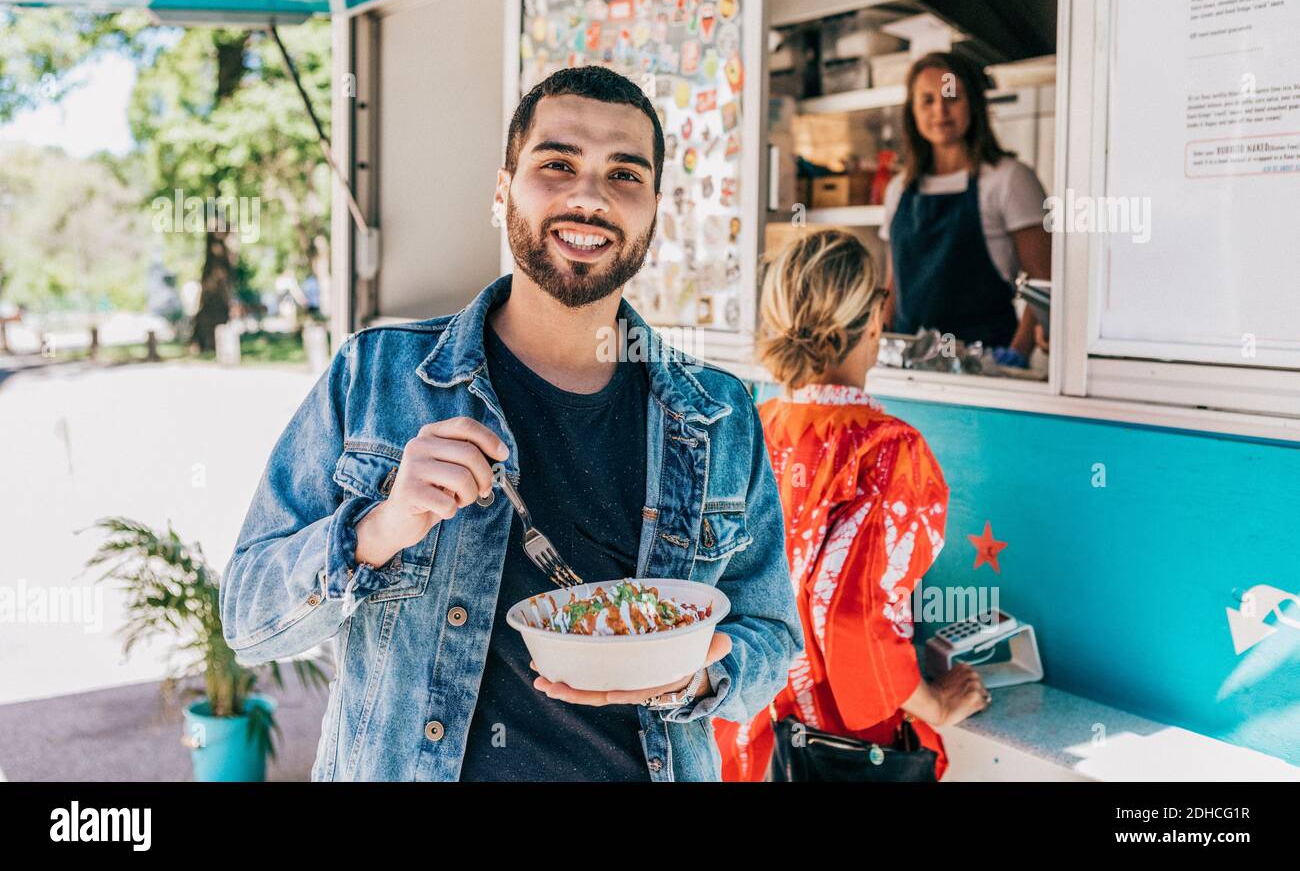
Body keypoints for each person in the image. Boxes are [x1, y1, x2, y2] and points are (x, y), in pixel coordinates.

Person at [220, 66, 802, 782]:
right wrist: (380, 527)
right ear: (503, 192)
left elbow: (769, 636)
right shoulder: (375, 377)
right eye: (557, 164)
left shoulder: (719, 414)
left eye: (624, 174)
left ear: (655, 208)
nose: (589, 196)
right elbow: (248, 619)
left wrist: (692, 677)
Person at [713, 230, 989, 782]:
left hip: (742, 739)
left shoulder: (747, 428)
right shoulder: (889, 451)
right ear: (875, 320)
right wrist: (933, 704)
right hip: (839, 751)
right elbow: (850, 614)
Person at [881, 51, 1051, 367]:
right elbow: (894, 281)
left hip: (986, 364)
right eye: (927, 100)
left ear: (974, 103)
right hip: (908, 365)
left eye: (952, 97)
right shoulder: (899, 189)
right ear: (912, 111)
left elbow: (1044, 278)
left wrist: (1018, 352)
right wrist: (880, 338)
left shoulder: (1010, 178)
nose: (940, 111)